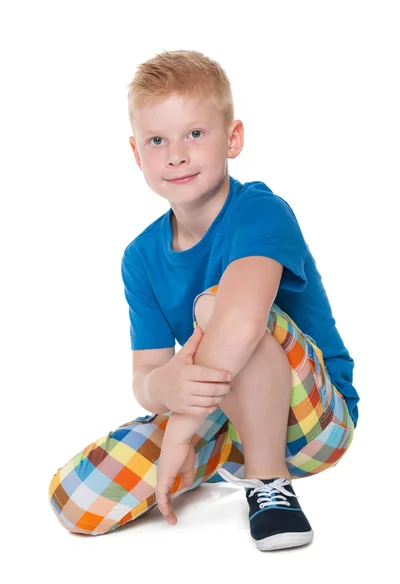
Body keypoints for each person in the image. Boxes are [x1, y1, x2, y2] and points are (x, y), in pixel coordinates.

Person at [48, 49, 360, 551]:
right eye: (157, 140)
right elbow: (145, 377)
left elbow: (238, 321)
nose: (176, 154)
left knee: (216, 303)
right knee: (76, 498)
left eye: (195, 133)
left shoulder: (261, 211)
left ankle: (268, 481)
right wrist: (162, 385)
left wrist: (179, 431)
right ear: (136, 154)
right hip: (225, 418)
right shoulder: (140, 257)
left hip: (311, 423)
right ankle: (219, 460)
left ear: (232, 138)